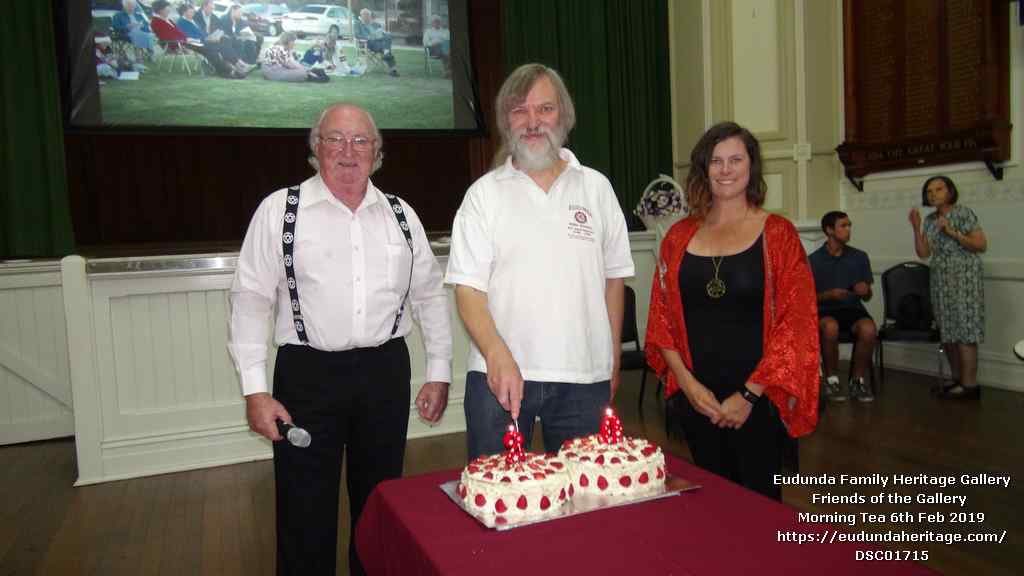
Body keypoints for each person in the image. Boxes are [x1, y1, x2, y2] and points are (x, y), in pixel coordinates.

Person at [228, 104, 452, 576]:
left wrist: (439, 372)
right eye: (335, 139)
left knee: (380, 505)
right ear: (316, 148)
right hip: (306, 376)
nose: (347, 151)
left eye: (360, 141)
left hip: (384, 373)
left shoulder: (400, 215)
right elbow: (249, 300)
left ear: (377, 152)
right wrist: (255, 390)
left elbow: (429, 297)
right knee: (303, 510)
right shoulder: (280, 211)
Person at [446, 63, 634, 461]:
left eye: (544, 109)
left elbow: (613, 279)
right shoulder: (483, 195)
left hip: (583, 379)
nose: (532, 122)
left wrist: (612, 356)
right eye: (519, 111)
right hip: (497, 378)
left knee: (584, 502)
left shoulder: (597, 188)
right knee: (498, 503)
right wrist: (498, 355)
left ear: (563, 116)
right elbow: (468, 289)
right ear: (505, 121)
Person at [645, 122, 819, 500]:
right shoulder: (678, 238)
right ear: (704, 169)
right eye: (716, 160)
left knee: (759, 504)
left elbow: (797, 323)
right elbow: (661, 321)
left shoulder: (778, 234)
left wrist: (749, 395)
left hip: (758, 399)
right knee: (711, 506)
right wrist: (689, 388)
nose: (725, 169)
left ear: (751, 166)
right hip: (697, 400)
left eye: (735, 159)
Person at [909, 175, 987, 399]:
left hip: (964, 278)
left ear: (950, 191)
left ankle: (970, 385)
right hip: (940, 280)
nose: (933, 194)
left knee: (965, 331)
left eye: (939, 189)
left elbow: (981, 245)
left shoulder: (963, 212)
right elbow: (924, 254)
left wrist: (952, 231)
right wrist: (915, 228)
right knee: (949, 332)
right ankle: (957, 380)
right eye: (929, 191)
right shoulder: (930, 219)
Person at [808, 211, 877, 402]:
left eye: (849, 225)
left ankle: (858, 381)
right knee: (830, 327)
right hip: (824, 312)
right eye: (843, 226)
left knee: (869, 329)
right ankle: (831, 380)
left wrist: (865, 291)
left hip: (852, 310)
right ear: (829, 230)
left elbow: (868, 296)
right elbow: (805, 300)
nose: (848, 230)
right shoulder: (812, 261)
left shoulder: (859, 257)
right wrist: (828, 295)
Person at [150, 1, 249, 79]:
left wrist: (188, 38)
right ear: (160, 10)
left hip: (188, 41)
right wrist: (186, 39)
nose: (169, 11)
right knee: (212, 49)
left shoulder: (168, 20)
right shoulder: (156, 21)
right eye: (167, 10)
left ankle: (230, 68)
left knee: (219, 45)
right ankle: (228, 70)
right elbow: (166, 36)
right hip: (178, 44)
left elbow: (179, 33)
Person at [264, 32, 328, 82]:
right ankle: (313, 76)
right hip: (273, 71)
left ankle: (312, 73)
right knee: (302, 73)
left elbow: (292, 62)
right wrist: (307, 70)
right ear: (288, 41)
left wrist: (305, 69)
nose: (294, 43)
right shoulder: (280, 49)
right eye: (293, 41)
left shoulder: (282, 48)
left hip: (275, 69)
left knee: (302, 69)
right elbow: (291, 65)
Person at [355, 8, 399, 77]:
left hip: (380, 42)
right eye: (365, 15)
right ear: (361, 16)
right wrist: (368, 37)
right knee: (387, 49)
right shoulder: (358, 24)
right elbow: (357, 35)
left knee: (388, 35)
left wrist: (382, 33)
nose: (367, 17)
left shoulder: (376, 24)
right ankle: (393, 69)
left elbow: (382, 32)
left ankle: (386, 54)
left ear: (370, 16)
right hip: (369, 43)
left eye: (368, 15)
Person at [112, 0, 155, 64]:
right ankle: (139, 58)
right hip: (126, 33)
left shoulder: (139, 15)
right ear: (124, 6)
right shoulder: (118, 15)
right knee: (136, 35)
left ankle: (150, 55)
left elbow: (146, 25)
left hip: (141, 31)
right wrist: (127, 26)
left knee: (150, 35)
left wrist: (142, 25)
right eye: (129, 5)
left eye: (133, 5)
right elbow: (116, 27)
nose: (131, 7)